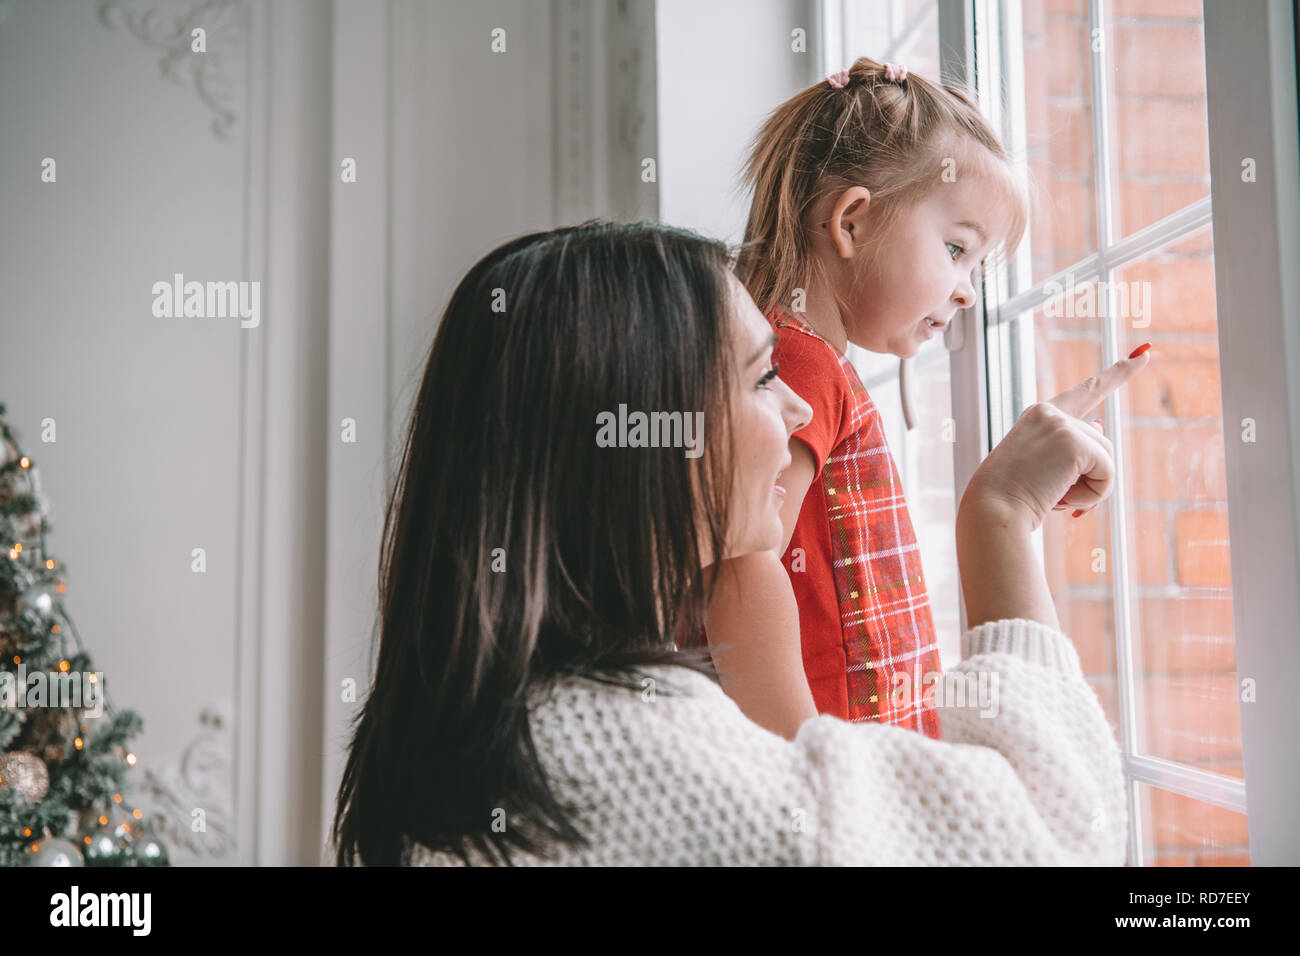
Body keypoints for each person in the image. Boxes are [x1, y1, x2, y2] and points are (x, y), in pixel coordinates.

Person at [331, 220, 1148, 867]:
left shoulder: (492, 726)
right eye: (762, 377)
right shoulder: (638, 763)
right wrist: (1000, 518)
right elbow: (1062, 841)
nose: (796, 412)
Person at [705, 57, 1031, 741]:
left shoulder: (811, 359)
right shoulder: (799, 360)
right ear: (851, 222)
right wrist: (801, 760)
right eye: (955, 247)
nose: (967, 289)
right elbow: (743, 562)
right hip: (833, 756)